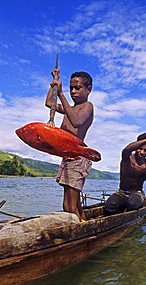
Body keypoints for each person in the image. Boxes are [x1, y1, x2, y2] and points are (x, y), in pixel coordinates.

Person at [45, 69, 94, 221]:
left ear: (88, 89)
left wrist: (60, 94)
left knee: (69, 205)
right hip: (68, 157)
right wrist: (54, 82)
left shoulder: (87, 106)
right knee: (76, 204)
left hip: (78, 157)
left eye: (77, 88)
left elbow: (77, 121)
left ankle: (76, 232)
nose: (73, 91)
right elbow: (48, 103)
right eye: (70, 88)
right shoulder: (69, 108)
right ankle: (84, 223)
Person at [104, 130, 146, 215]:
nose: (142, 152)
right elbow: (127, 148)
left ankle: (140, 202)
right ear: (136, 147)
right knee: (110, 205)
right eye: (140, 148)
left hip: (137, 193)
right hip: (122, 192)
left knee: (132, 204)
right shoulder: (127, 157)